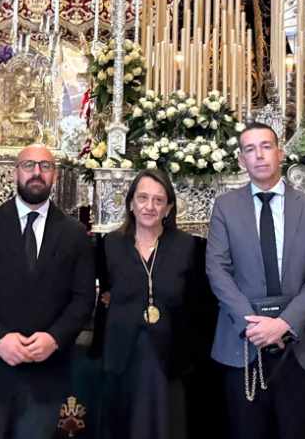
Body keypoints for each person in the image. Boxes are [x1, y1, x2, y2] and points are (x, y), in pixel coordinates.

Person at [0, 144, 94, 439]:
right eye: (29, 165)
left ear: (54, 175)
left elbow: (83, 299)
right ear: (14, 173)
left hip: (44, 376)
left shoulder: (74, 234)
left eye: (45, 166)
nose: (36, 173)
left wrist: (54, 338)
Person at [206, 122, 305, 439]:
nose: (259, 155)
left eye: (266, 146)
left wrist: (284, 324)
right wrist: (254, 325)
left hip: (301, 346)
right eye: (250, 149)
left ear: (280, 152)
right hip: (243, 343)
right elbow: (217, 270)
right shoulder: (225, 207)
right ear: (241, 160)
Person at [99, 168, 199, 439]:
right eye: (142, 198)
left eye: (158, 200)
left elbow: (196, 306)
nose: (149, 206)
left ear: (168, 208)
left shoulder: (188, 246)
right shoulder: (110, 244)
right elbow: (102, 295)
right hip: (123, 357)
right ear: (131, 203)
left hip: (170, 360)